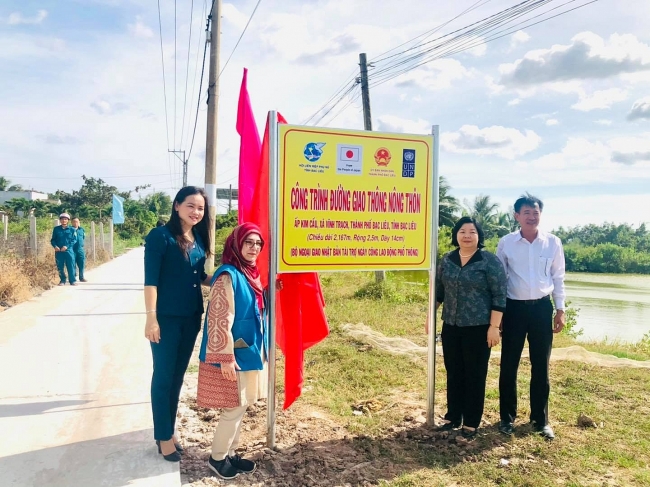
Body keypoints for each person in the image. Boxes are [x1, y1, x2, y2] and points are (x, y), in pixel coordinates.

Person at [143, 186, 213, 462]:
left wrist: (229, 277)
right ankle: (162, 437)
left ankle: (169, 431)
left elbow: (200, 276)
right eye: (191, 206)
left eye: (201, 208)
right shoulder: (160, 237)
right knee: (163, 377)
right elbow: (151, 281)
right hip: (166, 320)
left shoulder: (197, 238)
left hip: (191, 317)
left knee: (177, 377)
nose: (196, 212)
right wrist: (151, 318)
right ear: (177, 206)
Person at [196, 223, 268, 480]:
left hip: (248, 350)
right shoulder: (228, 275)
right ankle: (217, 459)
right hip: (233, 355)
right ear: (236, 245)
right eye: (249, 242)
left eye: (258, 243)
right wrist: (225, 359)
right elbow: (219, 318)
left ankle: (230, 454)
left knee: (242, 405)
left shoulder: (251, 273)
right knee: (233, 409)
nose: (254, 248)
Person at [497, 193, 566, 440]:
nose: (531, 217)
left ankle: (540, 419)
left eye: (535, 212)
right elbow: (499, 280)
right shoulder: (506, 243)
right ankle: (506, 418)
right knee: (509, 364)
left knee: (541, 366)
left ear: (540, 215)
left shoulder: (553, 243)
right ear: (516, 216)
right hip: (513, 309)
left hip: (541, 309)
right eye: (526, 212)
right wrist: (499, 312)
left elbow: (558, 277)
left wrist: (560, 309)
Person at [430, 216, 507, 438]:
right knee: (454, 372)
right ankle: (454, 416)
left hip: (479, 327)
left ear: (479, 236)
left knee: (475, 374)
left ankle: (471, 422)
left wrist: (494, 327)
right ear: (456, 235)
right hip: (451, 326)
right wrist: (430, 317)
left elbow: (499, 296)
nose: (466, 235)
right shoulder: (448, 260)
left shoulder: (489, 261)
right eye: (462, 231)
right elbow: (439, 293)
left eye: (472, 231)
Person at [51, 213, 78, 286]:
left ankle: (72, 280)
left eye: (65, 219)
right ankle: (62, 280)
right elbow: (53, 240)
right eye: (62, 219)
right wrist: (55, 246)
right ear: (60, 220)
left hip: (68, 251)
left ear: (68, 220)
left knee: (71, 266)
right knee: (60, 266)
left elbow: (74, 240)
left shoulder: (72, 229)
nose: (64, 220)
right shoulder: (56, 229)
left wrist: (67, 246)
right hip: (59, 251)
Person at [71, 218, 87, 282]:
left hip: (80, 249)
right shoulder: (70, 230)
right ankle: (73, 277)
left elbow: (83, 237)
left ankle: (81, 277)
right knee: (72, 263)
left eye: (77, 222)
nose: (75, 223)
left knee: (82, 263)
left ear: (79, 222)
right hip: (72, 249)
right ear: (71, 223)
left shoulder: (82, 229)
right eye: (74, 222)